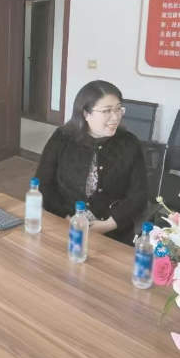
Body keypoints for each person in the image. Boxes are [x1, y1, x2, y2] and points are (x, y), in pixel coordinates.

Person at [36, 80, 149, 245]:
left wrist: (110, 224)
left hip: (113, 232)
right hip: (64, 225)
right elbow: (43, 184)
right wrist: (66, 218)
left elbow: (139, 194)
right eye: (107, 111)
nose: (115, 117)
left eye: (119, 109)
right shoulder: (62, 138)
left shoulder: (129, 143)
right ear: (86, 114)